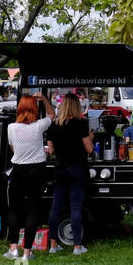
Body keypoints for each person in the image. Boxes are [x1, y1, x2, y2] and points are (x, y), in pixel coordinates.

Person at [4, 92, 55, 261]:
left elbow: (13, 149)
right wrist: (45, 100)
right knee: (32, 210)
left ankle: (13, 249)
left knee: (14, 209)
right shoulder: (39, 126)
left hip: (19, 169)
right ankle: (27, 251)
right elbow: (51, 115)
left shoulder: (12, 128)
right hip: (37, 169)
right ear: (34, 109)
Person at [46, 92, 94, 255]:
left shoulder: (53, 125)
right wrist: (91, 138)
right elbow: (89, 149)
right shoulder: (80, 125)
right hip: (77, 169)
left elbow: (51, 151)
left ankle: (53, 244)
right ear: (76, 107)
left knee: (56, 206)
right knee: (75, 207)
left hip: (59, 169)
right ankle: (77, 246)